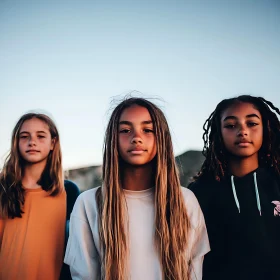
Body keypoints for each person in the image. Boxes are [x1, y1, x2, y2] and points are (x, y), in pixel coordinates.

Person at [64, 97, 210, 280]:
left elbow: (194, 271)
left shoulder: (184, 200)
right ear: (113, 139)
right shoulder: (88, 203)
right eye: (125, 130)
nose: (136, 137)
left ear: (162, 139)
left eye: (147, 130)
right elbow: (83, 274)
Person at [189, 95, 280, 280]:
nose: (242, 131)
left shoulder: (277, 183)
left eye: (252, 123)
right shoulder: (199, 193)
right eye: (231, 125)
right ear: (219, 132)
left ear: (266, 128)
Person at [0, 112, 79, 280]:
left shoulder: (69, 192)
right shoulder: (3, 190)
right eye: (24, 136)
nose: (32, 142)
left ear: (53, 143)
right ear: (16, 142)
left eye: (40, 136)